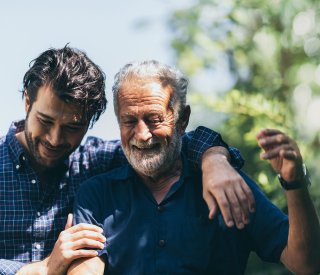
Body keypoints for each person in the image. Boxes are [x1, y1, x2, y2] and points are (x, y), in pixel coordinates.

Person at [0, 46, 255, 275]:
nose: (55, 139)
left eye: (72, 127)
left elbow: (170, 143)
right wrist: (42, 270)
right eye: (45, 121)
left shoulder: (94, 161)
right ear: (27, 101)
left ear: (89, 122)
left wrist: (215, 160)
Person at [69, 60, 320, 274]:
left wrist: (294, 182)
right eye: (129, 121)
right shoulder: (96, 194)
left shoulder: (228, 185)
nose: (142, 134)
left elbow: (305, 264)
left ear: (182, 120)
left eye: (154, 120)